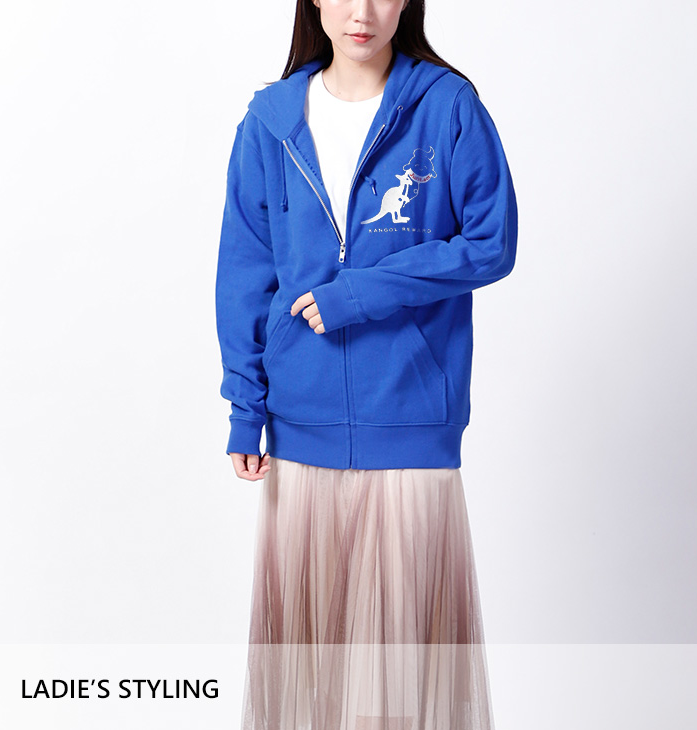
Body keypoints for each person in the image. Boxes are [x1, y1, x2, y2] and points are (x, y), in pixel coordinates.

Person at [215, 1, 518, 728]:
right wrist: (246, 409)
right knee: (310, 690)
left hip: (410, 420)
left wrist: (359, 293)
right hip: (300, 425)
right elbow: (245, 271)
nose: (362, 11)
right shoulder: (270, 121)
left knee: (401, 691)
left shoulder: (447, 106)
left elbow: (491, 243)